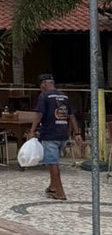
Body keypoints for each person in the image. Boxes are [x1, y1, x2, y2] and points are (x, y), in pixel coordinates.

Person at [26, 73, 82, 201]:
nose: (40, 88)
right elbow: (71, 115)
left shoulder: (44, 96)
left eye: (41, 85)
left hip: (50, 134)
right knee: (52, 161)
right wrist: (77, 133)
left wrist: (32, 130)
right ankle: (52, 186)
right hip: (63, 134)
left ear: (44, 84)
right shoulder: (64, 96)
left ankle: (60, 192)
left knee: (52, 163)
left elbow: (39, 114)